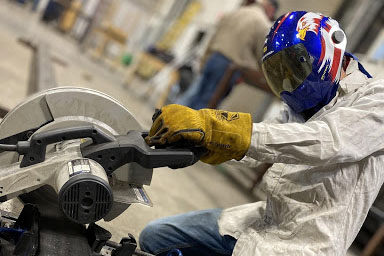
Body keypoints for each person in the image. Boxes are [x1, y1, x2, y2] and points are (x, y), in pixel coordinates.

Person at [140, 11, 383, 256]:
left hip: (306, 246)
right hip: (266, 219)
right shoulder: (303, 105)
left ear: (325, 52)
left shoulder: (375, 98)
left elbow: (327, 141)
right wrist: (203, 142)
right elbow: (263, 142)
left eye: (294, 66)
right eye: (279, 72)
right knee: (156, 237)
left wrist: (221, 128)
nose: (288, 80)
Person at [176, 0, 278, 110]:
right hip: (228, 67)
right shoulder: (262, 23)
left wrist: (204, 60)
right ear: (270, 8)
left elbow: (214, 36)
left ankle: (172, 121)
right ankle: (190, 126)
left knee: (193, 94)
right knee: (207, 103)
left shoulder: (235, 12)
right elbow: (262, 54)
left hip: (214, 57)